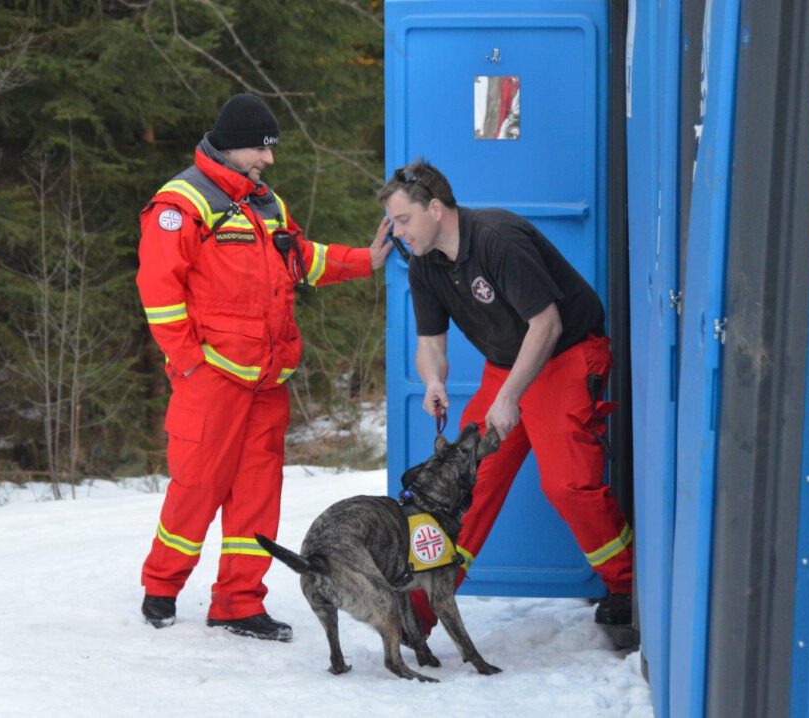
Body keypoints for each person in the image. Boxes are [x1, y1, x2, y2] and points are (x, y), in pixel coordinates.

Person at [136, 94, 392, 641]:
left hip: (268, 380)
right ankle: (161, 587)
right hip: (212, 377)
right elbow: (159, 292)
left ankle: (238, 603)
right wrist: (188, 365)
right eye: (260, 149)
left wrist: (366, 259)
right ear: (230, 145)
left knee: (258, 495)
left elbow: (302, 259)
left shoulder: (266, 202)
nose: (268, 161)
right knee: (197, 486)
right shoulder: (180, 203)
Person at [377, 159, 633, 634]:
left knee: (567, 485)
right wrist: (433, 380)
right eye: (393, 223)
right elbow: (431, 344)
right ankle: (421, 610)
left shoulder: (497, 239)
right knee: (463, 484)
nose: (398, 232)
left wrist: (510, 396)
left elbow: (548, 324)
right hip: (508, 368)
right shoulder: (423, 263)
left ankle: (626, 585)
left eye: (404, 220)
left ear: (435, 208)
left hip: (567, 356)